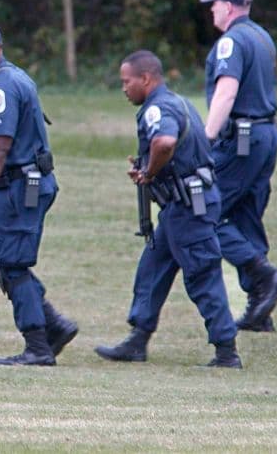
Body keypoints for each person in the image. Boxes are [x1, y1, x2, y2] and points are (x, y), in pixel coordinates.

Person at [95, 51, 241, 367]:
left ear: (145, 79)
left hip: (189, 208)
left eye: (126, 81)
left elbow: (164, 142)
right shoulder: (179, 102)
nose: (123, 88)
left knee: (203, 275)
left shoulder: (157, 109)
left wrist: (148, 171)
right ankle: (138, 340)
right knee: (153, 267)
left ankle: (226, 350)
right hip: (182, 206)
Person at [0, 21, 78, 366]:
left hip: (22, 185)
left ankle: (38, 346)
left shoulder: (3, 86)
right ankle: (53, 323)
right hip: (19, 185)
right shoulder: (7, 79)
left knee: (11, 264)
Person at [200, 0, 277, 332]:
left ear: (228, 6)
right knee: (245, 215)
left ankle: (263, 275)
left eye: (214, 3)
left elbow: (227, 91)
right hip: (266, 135)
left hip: (242, 138)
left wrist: (207, 137)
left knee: (206, 212)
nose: (211, 9)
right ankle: (260, 308)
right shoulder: (261, 36)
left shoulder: (231, 42)